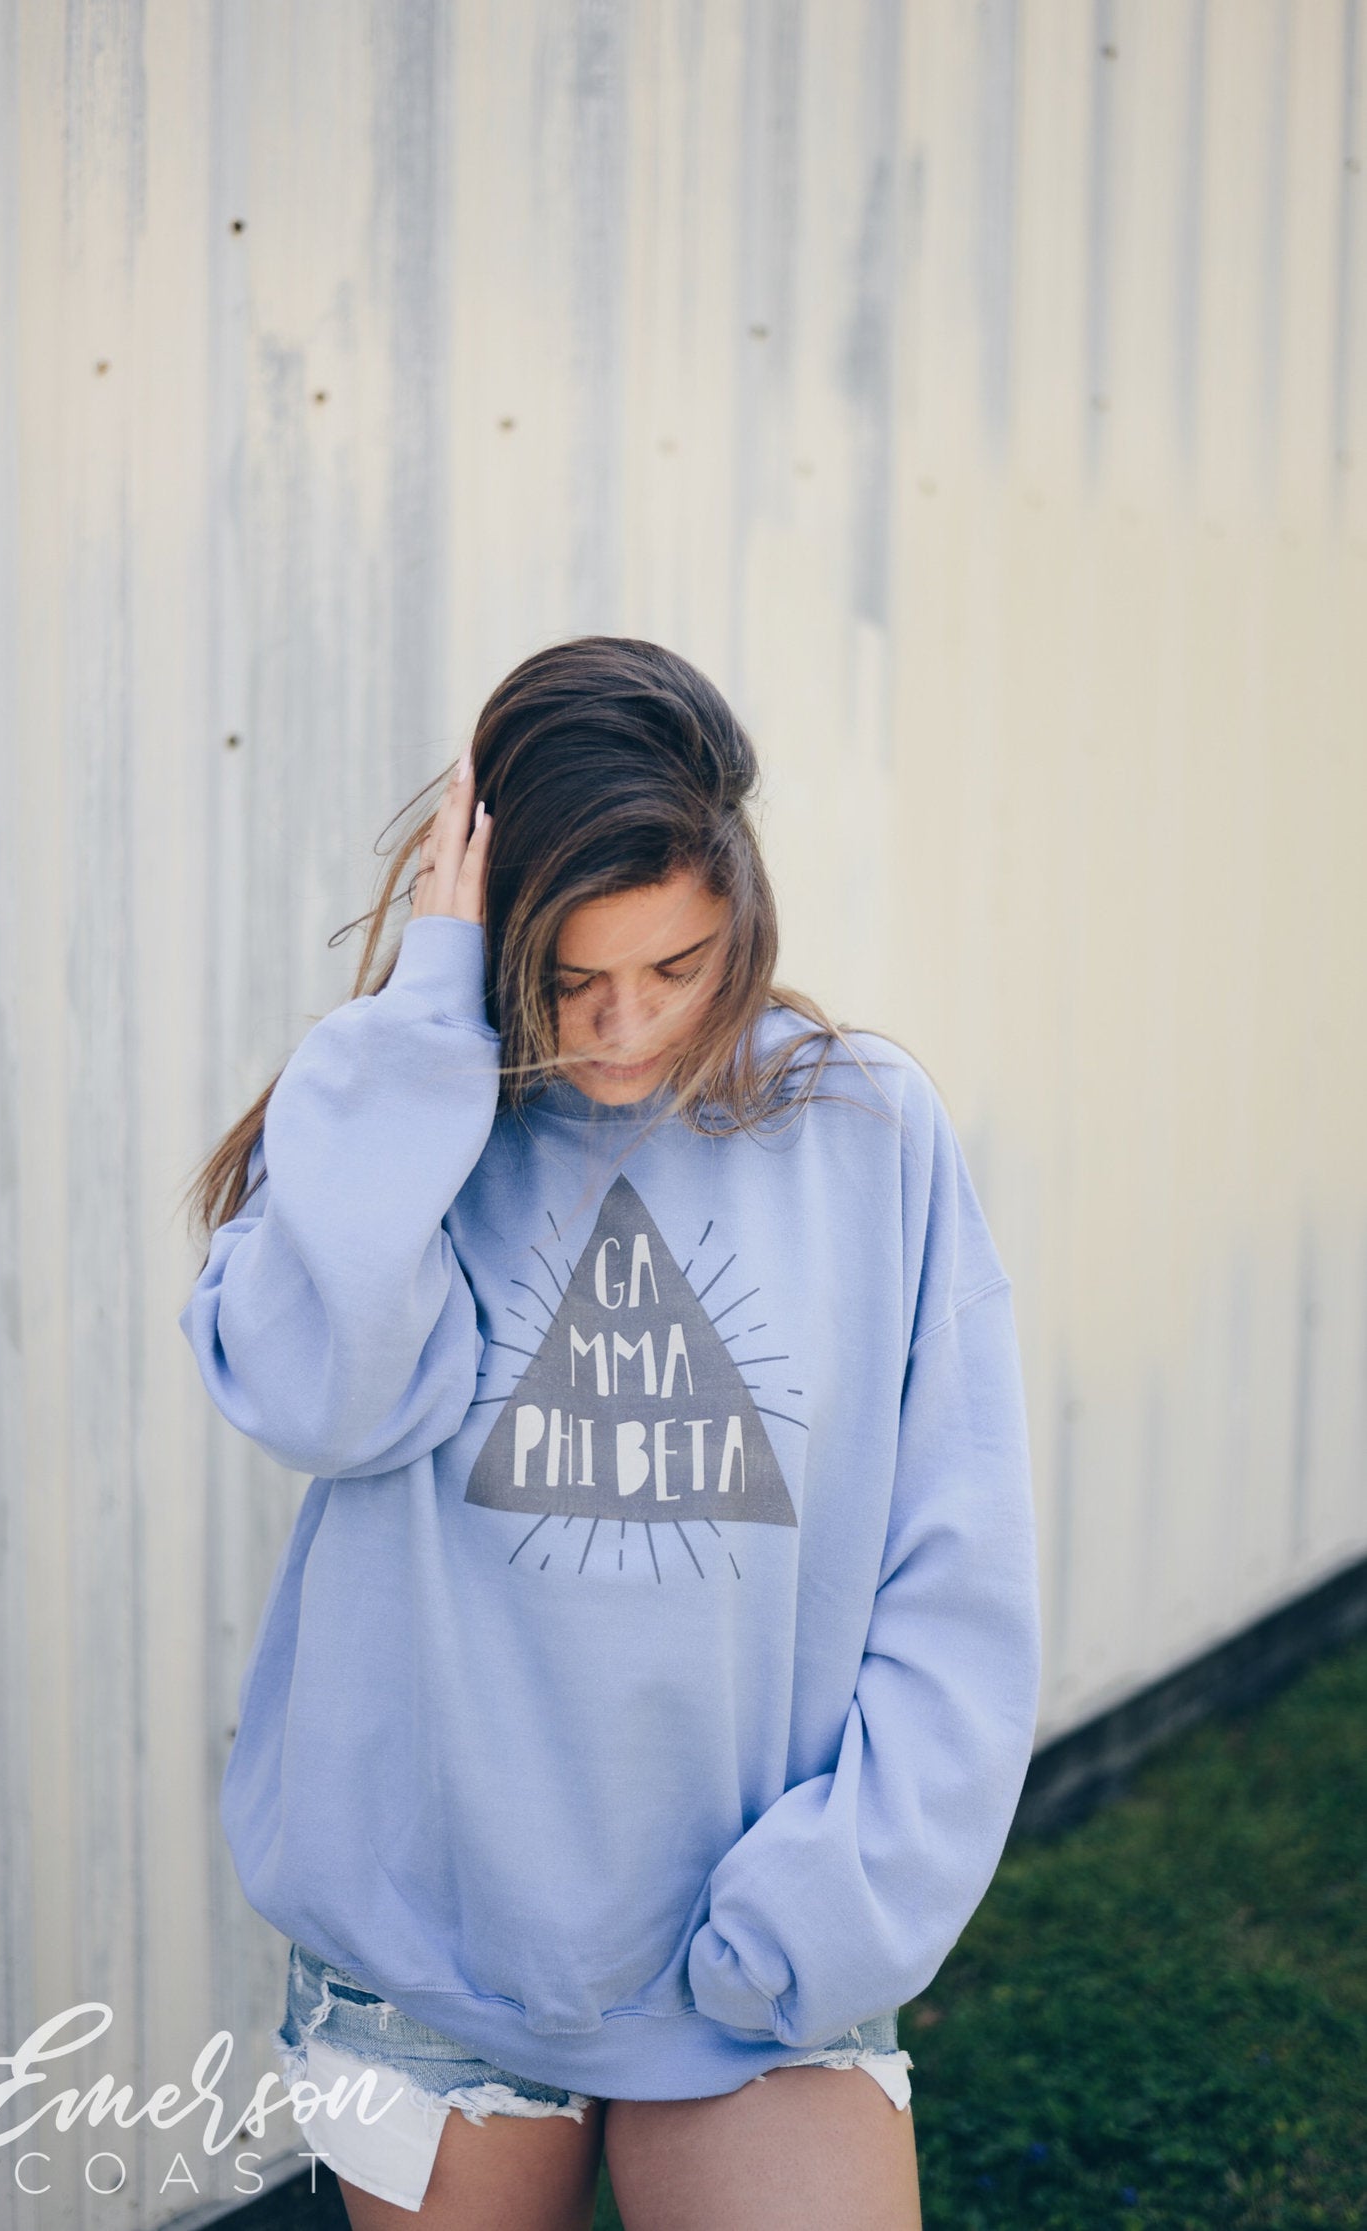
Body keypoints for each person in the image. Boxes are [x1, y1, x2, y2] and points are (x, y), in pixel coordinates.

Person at [178, 635, 1041, 2231]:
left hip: (764, 1941)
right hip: (427, 1959)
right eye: (569, 980)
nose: (625, 1028)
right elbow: (318, 1398)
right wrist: (431, 1034)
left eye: (679, 967)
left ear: (744, 917)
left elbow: (960, 1565)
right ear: (493, 929)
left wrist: (837, 1905)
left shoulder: (864, 1130)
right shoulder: (403, 1123)